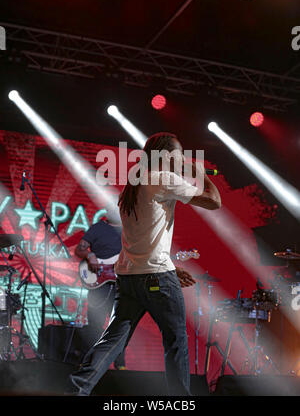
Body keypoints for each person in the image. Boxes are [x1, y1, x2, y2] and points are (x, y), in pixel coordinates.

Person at [67, 132, 221, 396]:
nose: (181, 158)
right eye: (177, 153)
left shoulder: (133, 185)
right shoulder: (163, 179)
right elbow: (214, 201)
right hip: (156, 279)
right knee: (176, 342)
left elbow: (143, 238)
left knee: (114, 338)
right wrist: (201, 174)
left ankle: (77, 388)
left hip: (129, 277)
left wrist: (171, 265)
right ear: (164, 155)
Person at [74, 215, 126, 370]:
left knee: (120, 326)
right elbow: (79, 249)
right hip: (98, 284)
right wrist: (90, 255)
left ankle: (120, 366)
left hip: (121, 285)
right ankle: (89, 364)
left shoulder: (130, 230)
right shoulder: (98, 227)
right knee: (95, 325)